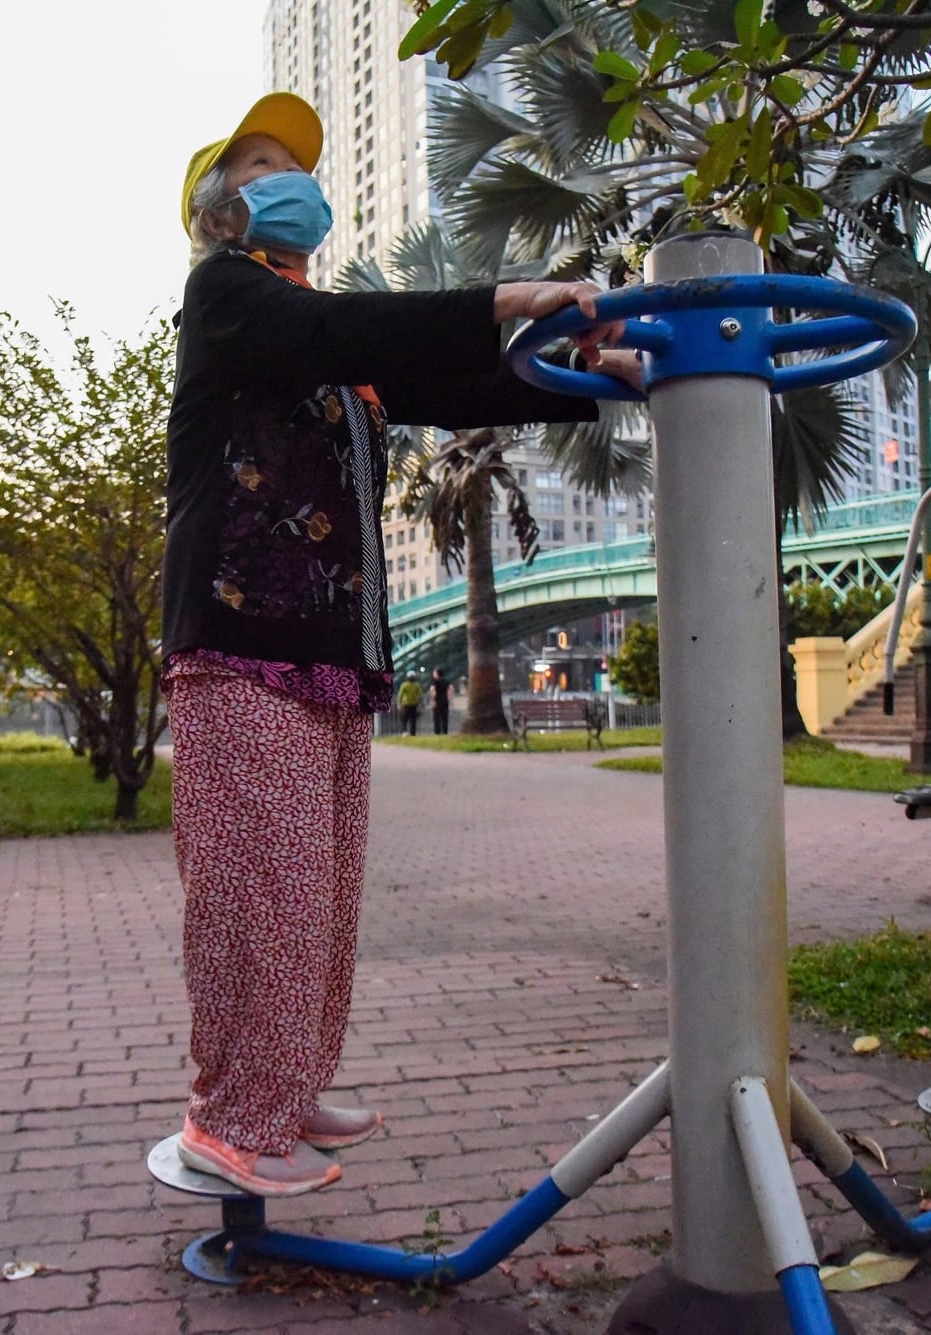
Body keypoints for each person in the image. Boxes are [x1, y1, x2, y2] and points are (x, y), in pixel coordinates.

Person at [164, 91, 640, 1197]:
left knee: (319, 895)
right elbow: (341, 332)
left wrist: (584, 371)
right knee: (259, 894)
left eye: (294, 161)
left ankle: (284, 1089)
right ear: (219, 208)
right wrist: (514, 294)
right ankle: (228, 1120)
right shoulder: (227, 302)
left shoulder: (319, 330)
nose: (290, 178)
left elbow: (449, 379)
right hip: (240, 645)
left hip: (329, 651)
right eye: (263, 163)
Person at [429, 667, 453, 735]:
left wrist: (433, 700)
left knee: (437, 718)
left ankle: (437, 732)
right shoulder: (446, 681)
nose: (433, 674)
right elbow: (451, 688)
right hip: (445, 701)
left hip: (437, 701)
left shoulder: (435, 682)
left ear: (437, 674)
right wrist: (449, 697)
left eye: (434, 673)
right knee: (444, 717)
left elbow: (433, 691)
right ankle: (445, 731)